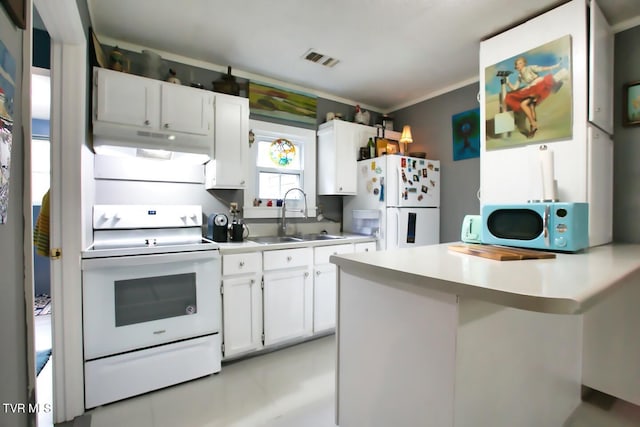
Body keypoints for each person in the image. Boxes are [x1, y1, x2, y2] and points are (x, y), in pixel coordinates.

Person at [504, 56, 561, 138]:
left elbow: (541, 69)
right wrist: (508, 82)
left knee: (524, 104)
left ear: (524, 63)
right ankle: (534, 127)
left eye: (520, 63)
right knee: (530, 106)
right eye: (517, 64)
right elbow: (515, 88)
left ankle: (533, 124)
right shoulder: (520, 75)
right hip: (531, 88)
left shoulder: (529, 68)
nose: (518, 65)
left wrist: (555, 66)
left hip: (538, 84)